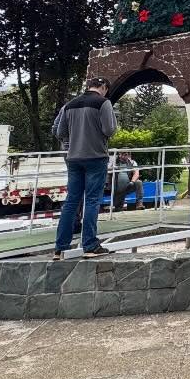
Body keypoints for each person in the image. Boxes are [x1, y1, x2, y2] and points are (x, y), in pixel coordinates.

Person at [52, 77, 118, 259]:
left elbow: (59, 132)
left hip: (73, 158)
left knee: (71, 202)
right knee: (92, 200)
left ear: (88, 86)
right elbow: (109, 130)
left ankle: (60, 248)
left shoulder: (70, 105)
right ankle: (90, 245)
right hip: (96, 157)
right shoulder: (103, 103)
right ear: (103, 87)